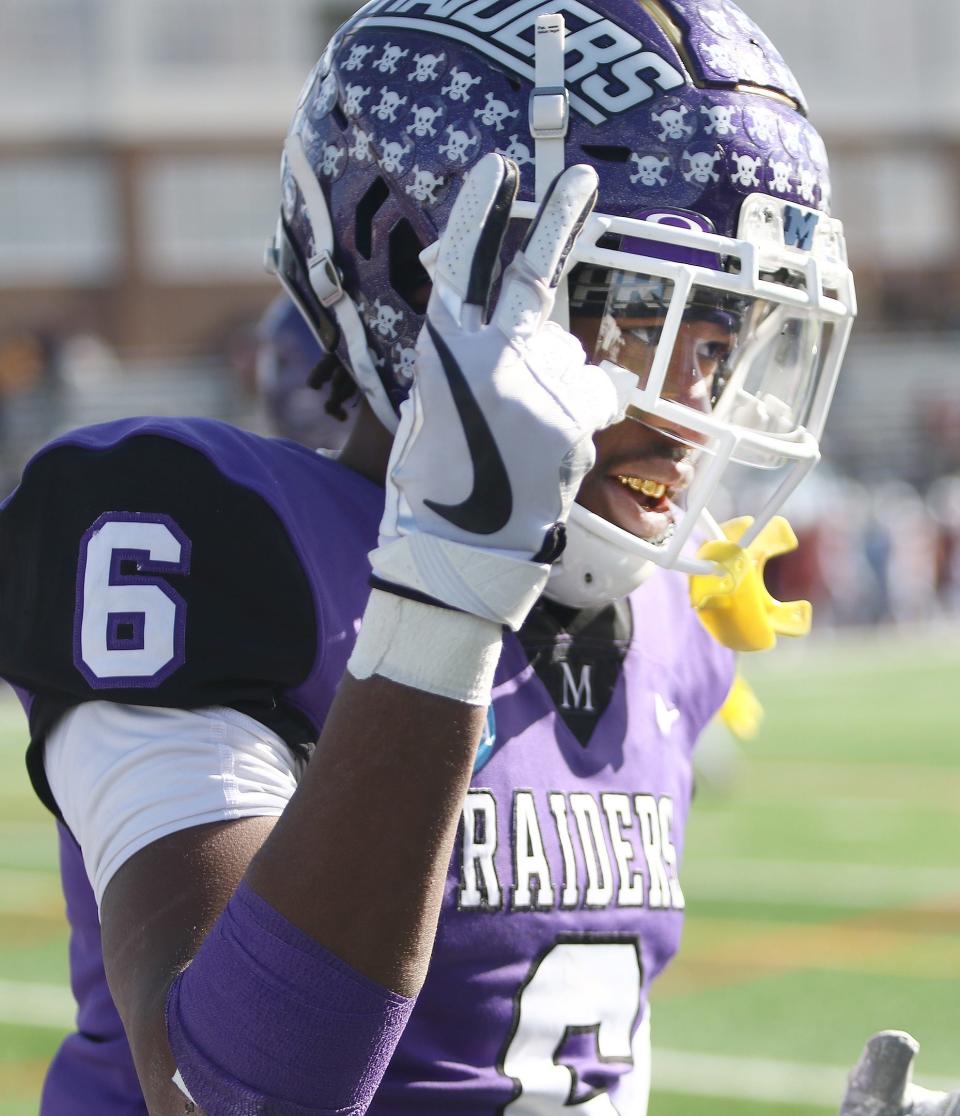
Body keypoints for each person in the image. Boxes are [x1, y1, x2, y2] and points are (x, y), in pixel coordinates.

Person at [0, 2, 856, 1113]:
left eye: (726, 329)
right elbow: (229, 1098)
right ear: (418, 271)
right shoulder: (217, 536)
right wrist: (446, 589)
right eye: (641, 306)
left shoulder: (664, 632)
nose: (694, 410)